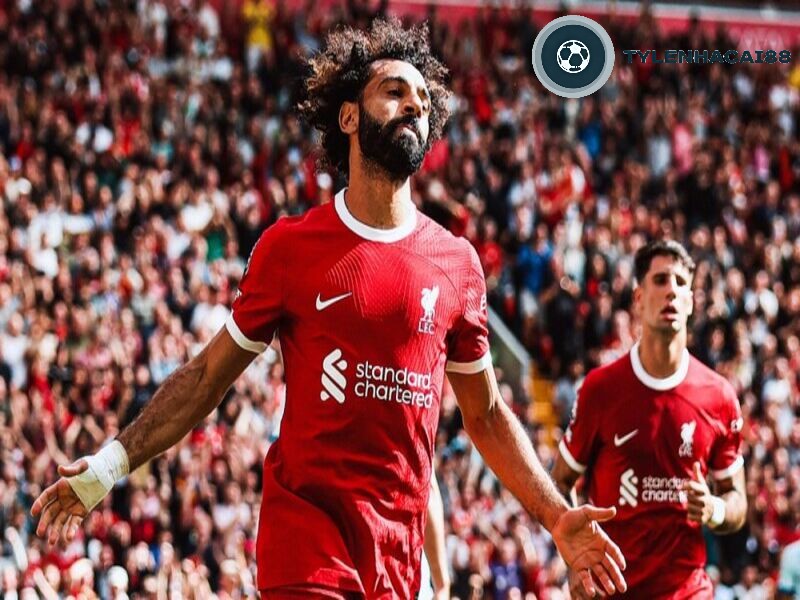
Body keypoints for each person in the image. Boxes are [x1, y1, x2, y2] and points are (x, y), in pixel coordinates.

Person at [31, 18, 627, 599]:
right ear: (348, 116)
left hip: (396, 559)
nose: (413, 106)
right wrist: (107, 467)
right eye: (394, 92)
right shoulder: (290, 248)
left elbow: (488, 416)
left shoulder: (457, 263)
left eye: (423, 100)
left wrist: (556, 517)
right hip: (304, 544)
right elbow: (207, 377)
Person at [552, 240, 747, 599]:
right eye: (660, 280)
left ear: (691, 301)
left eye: (680, 282)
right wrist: (576, 558)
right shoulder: (601, 389)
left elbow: (737, 500)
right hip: (613, 591)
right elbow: (560, 480)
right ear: (639, 299)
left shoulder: (719, 396)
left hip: (688, 591)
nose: (671, 290)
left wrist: (715, 509)